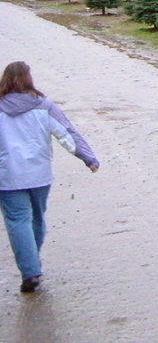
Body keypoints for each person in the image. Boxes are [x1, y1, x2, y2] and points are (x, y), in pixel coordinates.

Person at [0, 61, 99, 293]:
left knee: (18, 221)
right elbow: (67, 134)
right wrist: (89, 158)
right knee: (36, 218)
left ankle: (30, 270)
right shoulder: (44, 106)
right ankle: (32, 264)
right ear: (29, 79)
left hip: (8, 176)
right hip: (40, 175)